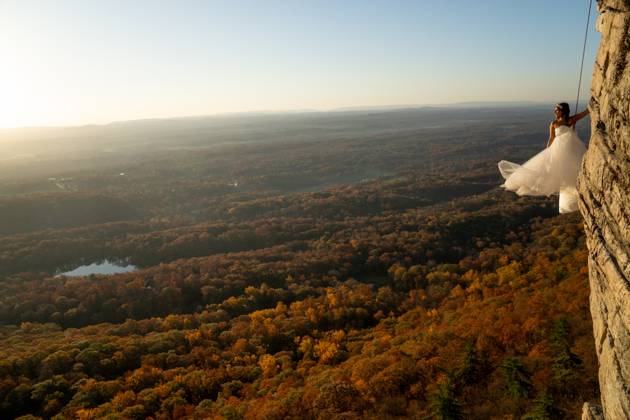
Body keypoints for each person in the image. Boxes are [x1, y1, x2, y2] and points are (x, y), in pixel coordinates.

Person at [498, 103, 590, 213]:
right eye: (555, 110)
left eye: (557, 110)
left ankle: (579, 196)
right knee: (564, 175)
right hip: (559, 150)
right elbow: (551, 139)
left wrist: (590, 106)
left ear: (562, 111)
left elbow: (585, 113)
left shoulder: (571, 120)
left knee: (574, 172)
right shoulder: (554, 123)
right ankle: (575, 200)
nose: (555, 112)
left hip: (572, 148)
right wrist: (548, 152)